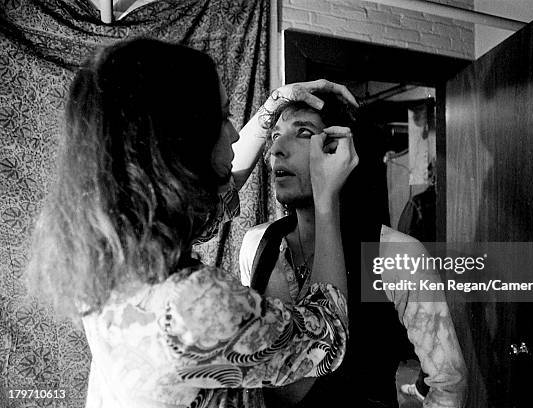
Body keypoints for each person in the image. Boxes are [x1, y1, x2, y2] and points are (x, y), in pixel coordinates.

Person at [25, 38, 360, 408]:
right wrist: (326, 201)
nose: (236, 133)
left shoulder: (115, 253)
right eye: (222, 117)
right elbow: (327, 336)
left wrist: (274, 104)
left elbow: (220, 192)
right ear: (179, 144)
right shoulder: (197, 304)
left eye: (303, 133)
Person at [239, 93, 467, 407]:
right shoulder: (257, 244)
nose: (276, 149)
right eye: (276, 135)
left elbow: (448, 384)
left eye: (303, 133)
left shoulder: (396, 256)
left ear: (340, 151)